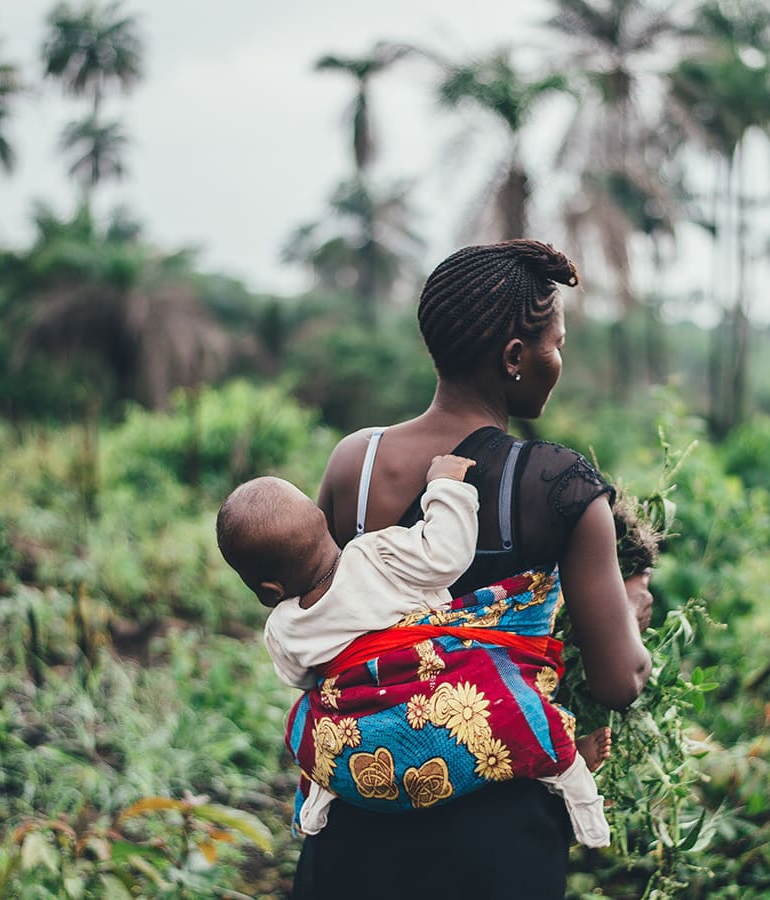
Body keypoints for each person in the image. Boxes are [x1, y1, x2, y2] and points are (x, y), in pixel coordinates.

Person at [292, 239, 653, 899]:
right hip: (496, 838)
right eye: (557, 343)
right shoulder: (560, 484)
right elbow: (620, 681)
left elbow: (320, 619)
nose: (559, 361)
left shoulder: (355, 462)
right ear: (516, 357)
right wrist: (631, 603)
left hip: (360, 809)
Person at [214, 453, 613, 847]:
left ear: (268, 590)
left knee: (307, 722)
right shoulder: (375, 554)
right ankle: (573, 782)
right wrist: (445, 485)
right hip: (436, 698)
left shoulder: (282, 627)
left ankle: (321, 794)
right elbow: (446, 555)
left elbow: (302, 679)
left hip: (364, 742)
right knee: (512, 706)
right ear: (323, 522)